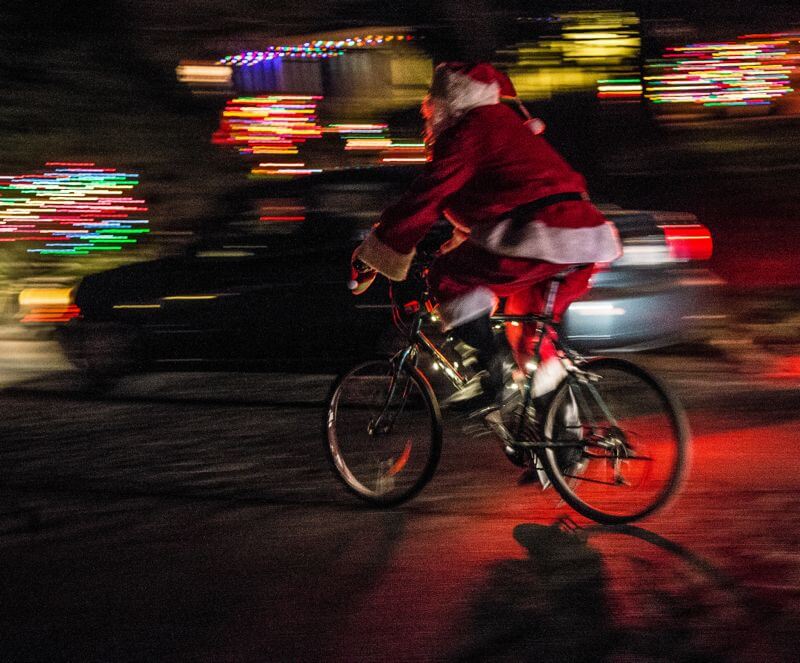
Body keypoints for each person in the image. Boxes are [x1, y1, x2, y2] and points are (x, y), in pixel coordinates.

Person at [351, 62, 622, 412]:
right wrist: (461, 239)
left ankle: (489, 374)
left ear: (445, 103)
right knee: (528, 340)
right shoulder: (505, 124)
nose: (426, 115)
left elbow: (428, 195)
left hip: (543, 236)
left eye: (430, 104)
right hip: (584, 237)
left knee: (447, 277)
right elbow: (504, 194)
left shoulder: (469, 129)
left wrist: (376, 252)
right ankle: (563, 440)